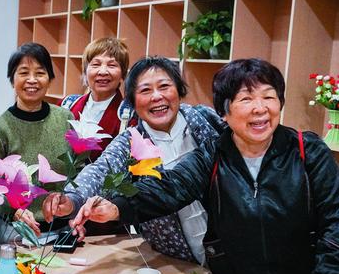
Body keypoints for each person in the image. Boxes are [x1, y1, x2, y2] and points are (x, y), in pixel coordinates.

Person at [66, 59, 339, 274]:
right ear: (225, 112)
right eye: (246, 99)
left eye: (269, 97)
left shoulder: (307, 150)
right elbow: (170, 187)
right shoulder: (214, 154)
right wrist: (117, 208)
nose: (260, 109)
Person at [44, 56, 224, 262]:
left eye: (164, 86)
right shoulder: (130, 141)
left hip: (228, 249)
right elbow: (101, 170)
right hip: (176, 260)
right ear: (132, 102)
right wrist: (71, 200)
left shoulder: (205, 120)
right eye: (145, 90)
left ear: (179, 90)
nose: (157, 97)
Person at [0, 43, 73, 232]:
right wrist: (13, 211)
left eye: (40, 73)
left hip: (61, 228)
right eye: (24, 73)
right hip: (15, 228)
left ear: (50, 79)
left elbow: (78, 171)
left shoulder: (66, 119)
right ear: (12, 80)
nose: (32, 80)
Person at [61, 37, 133, 154]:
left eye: (112, 65)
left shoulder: (129, 116)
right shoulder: (67, 105)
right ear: (85, 71)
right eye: (96, 64)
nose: (103, 71)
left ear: (122, 74)